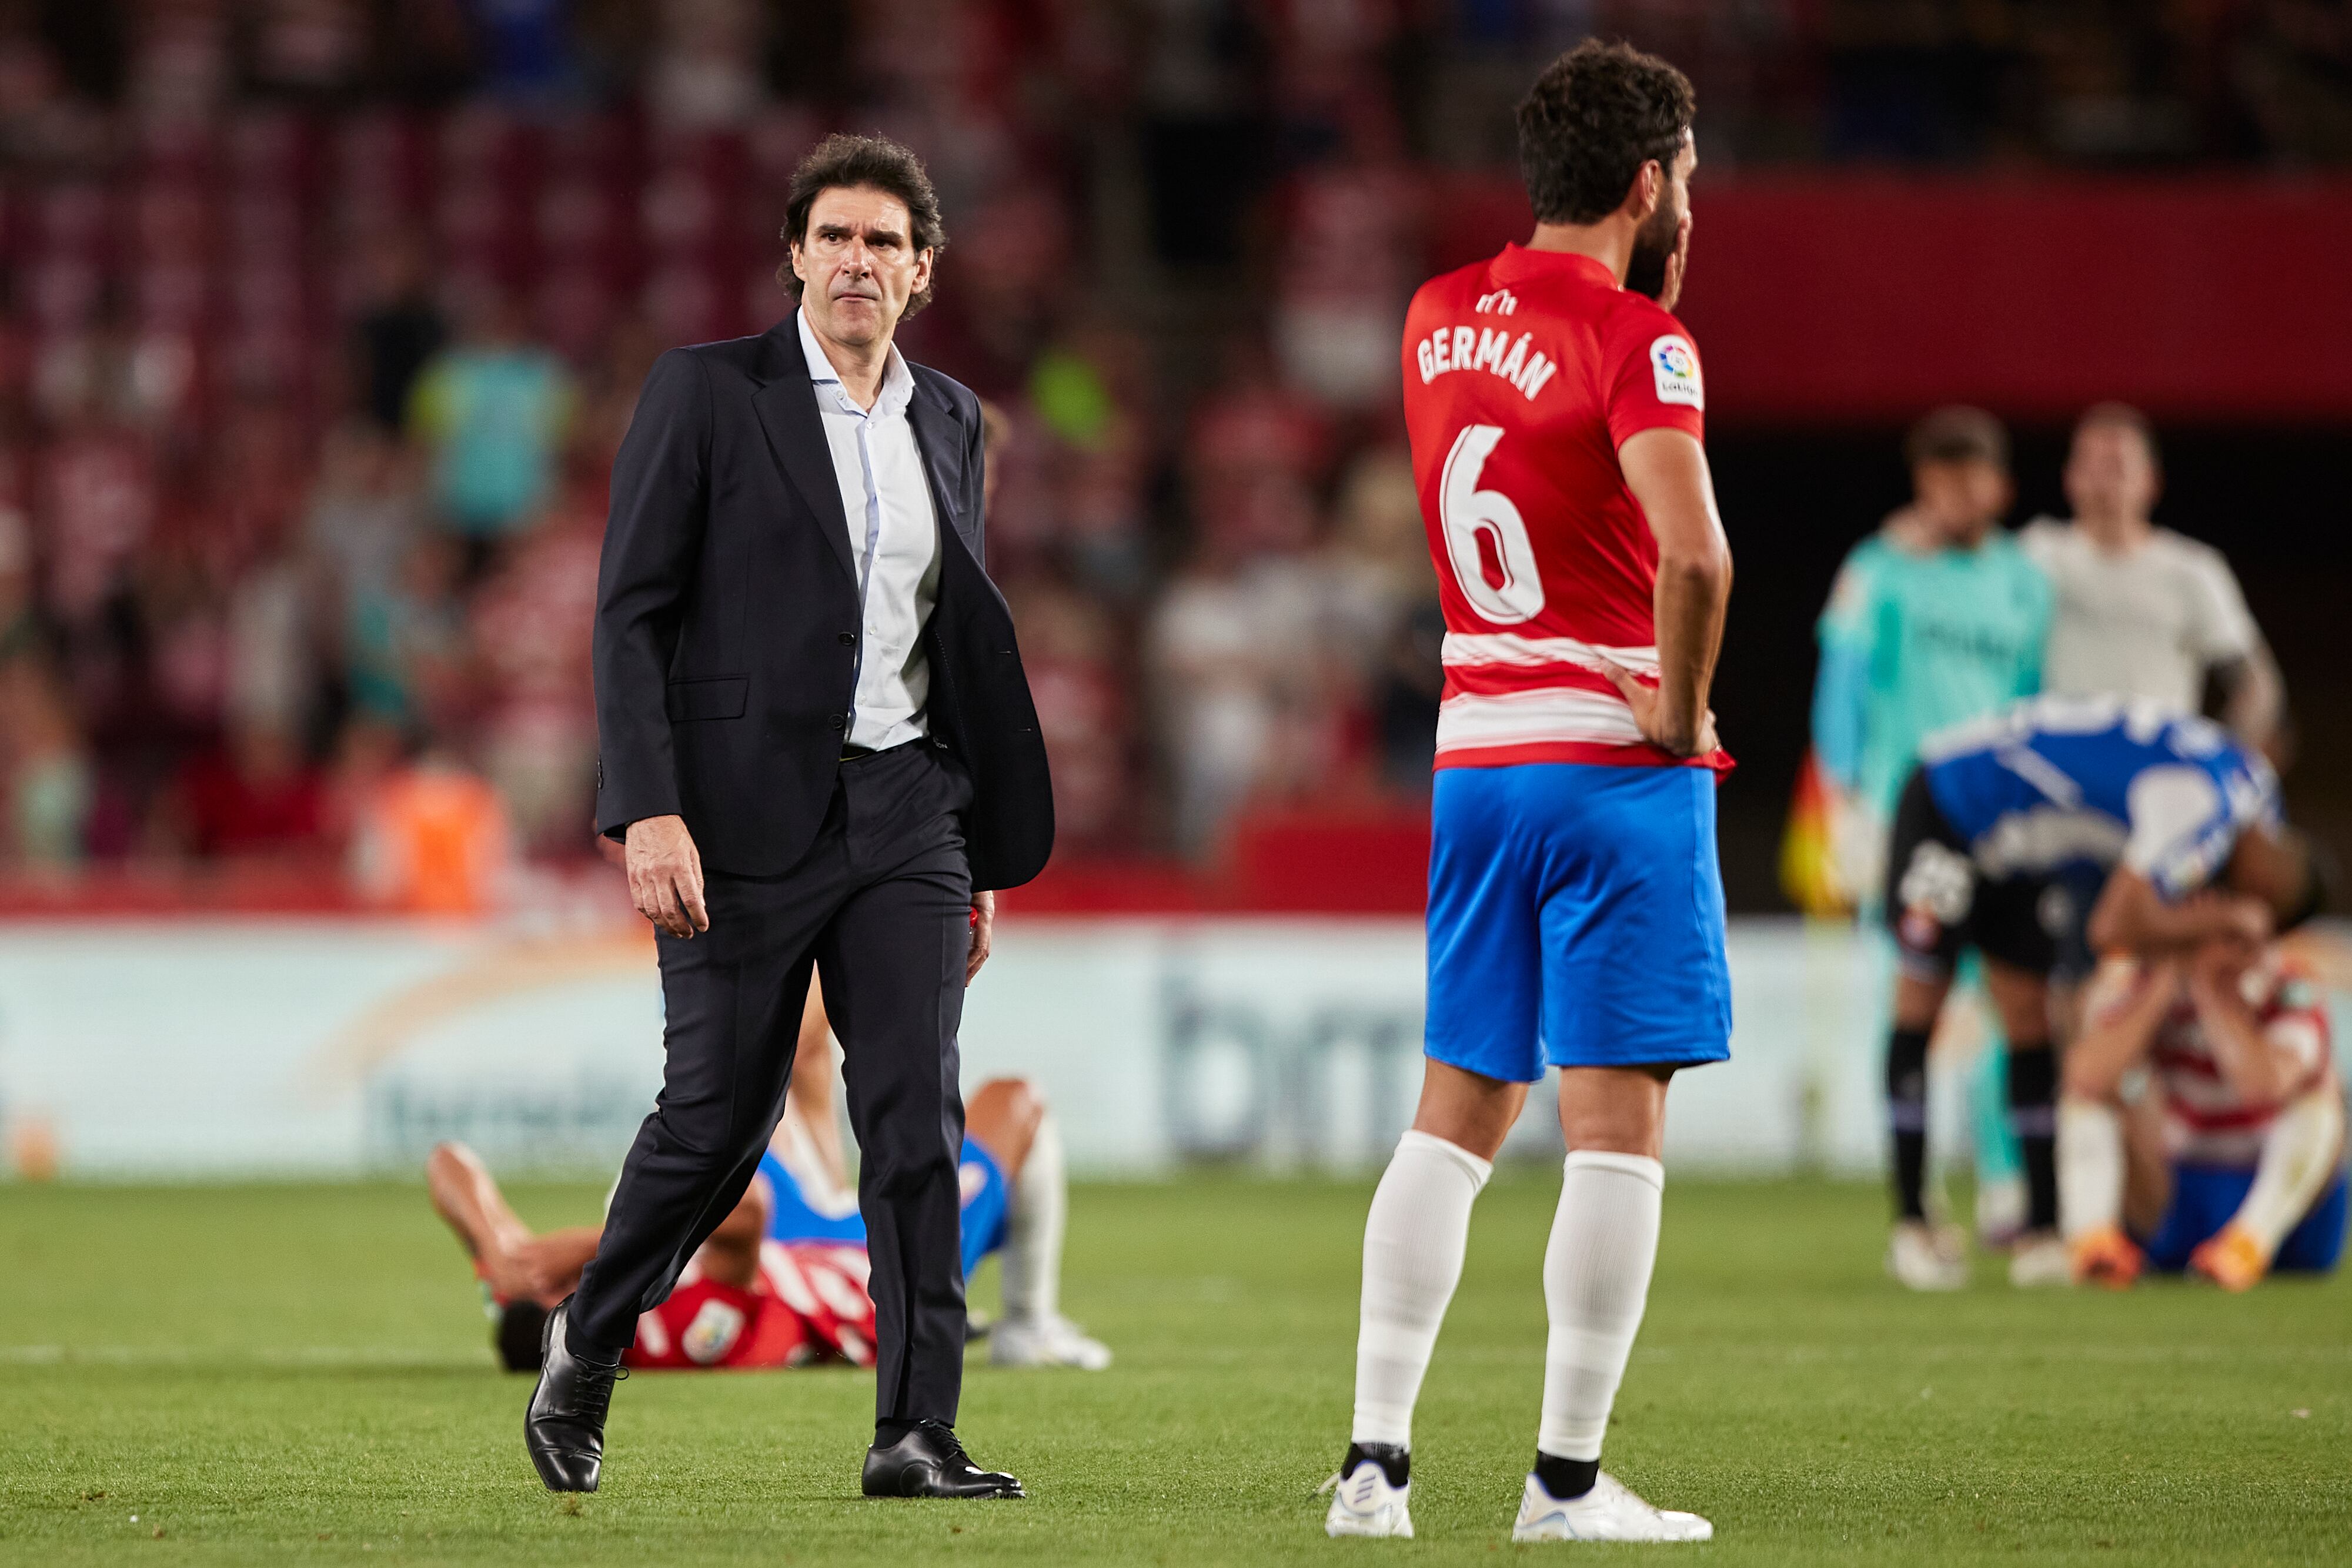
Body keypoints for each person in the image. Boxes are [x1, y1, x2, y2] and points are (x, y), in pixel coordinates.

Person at [540, 133, 1054, 1502]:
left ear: (922, 273)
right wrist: (647, 808)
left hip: (908, 810)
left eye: (883, 241)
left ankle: (914, 1432)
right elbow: (630, 616)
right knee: (716, 1119)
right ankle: (589, 1334)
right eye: (833, 236)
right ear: (794, 257)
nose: (855, 261)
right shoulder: (705, 394)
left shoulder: (951, 420)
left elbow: (960, 638)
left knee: (912, 1122)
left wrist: (980, 849)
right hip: (731, 815)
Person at [1324, 41, 1732, 1546]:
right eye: (1685, 175)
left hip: (1475, 755)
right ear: (1646, 182)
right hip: (1608, 764)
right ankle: (1563, 1483)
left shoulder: (1435, 314)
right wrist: (1676, 712)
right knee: (1615, 1124)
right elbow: (1693, 555)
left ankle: (1373, 1467)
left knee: (1452, 1115)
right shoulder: (1642, 342)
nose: (1693, 199)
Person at [1880, 693, 2328, 1290]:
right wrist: (2217, 927)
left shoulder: (2252, 789)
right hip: (1954, 800)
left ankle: (2042, 1229)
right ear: (2262, 887)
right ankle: (1912, 1225)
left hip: (2025, 842)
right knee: (1920, 1002)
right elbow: (2112, 926)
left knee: (2026, 1016)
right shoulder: (2203, 807)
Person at [431, 1035, 1108, 1375]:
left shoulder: (532, 1290)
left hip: (798, 1243)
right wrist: (597, 1244)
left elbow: (447, 1163)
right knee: (1015, 1102)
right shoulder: (669, 1332)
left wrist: (501, 1251)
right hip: (881, 1273)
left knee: (775, 1058)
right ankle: (1028, 1323)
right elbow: (744, 1213)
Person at [1811, 406, 2054, 1279]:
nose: (1954, 495)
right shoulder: (1878, 570)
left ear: (1999, 486)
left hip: (2005, 821)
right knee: (1917, 1005)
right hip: (1908, 815)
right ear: (1921, 486)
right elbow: (1840, 684)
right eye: (1938, 479)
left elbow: (2032, 698)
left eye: (1970, 477)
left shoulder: (2026, 582)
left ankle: (2010, 1188)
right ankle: (1916, 1213)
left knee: (2018, 1006)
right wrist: (1842, 802)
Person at [2059, 941, 2344, 1291]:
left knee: (2319, 1103)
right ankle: (2095, 1244)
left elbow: (2265, 1087)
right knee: (2090, 1101)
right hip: (2181, 1186)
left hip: (2282, 1199)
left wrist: (2212, 996)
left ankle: (2248, 1245)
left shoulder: (2288, 983)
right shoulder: (2146, 981)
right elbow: (2085, 1078)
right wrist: (2161, 989)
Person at [2022, 403, 2284, 758]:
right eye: (2091, 465)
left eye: (2117, 466)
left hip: (2156, 775)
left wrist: (2222, 760)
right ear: (2070, 477)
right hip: (2057, 773)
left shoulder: (2192, 569)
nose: (2103, 481)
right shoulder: (2033, 555)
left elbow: (2254, 682)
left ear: (2150, 481)